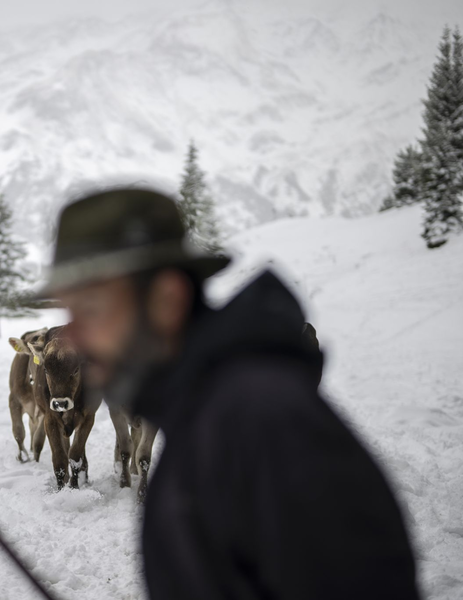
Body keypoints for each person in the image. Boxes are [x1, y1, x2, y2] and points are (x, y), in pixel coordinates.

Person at [40, 188, 419, 599]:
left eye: (91, 310)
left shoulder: (268, 425)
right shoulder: (203, 412)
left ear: (167, 299)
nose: (74, 337)